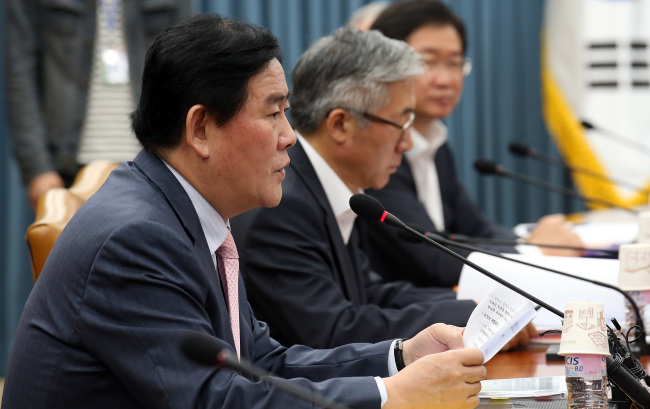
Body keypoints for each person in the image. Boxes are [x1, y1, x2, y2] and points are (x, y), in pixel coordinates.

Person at [1, 14, 488, 409]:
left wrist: (399, 356)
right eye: (273, 112)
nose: (290, 136)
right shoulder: (137, 238)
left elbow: (260, 362)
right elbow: (215, 402)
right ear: (201, 129)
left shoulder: (187, 213)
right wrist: (391, 396)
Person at [233, 27, 534, 350]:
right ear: (340, 125)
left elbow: (371, 293)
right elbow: (333, 330)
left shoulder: (329, 188)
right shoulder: (282, 207)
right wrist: (472, 315)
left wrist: (478, 306)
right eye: (401, 125)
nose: (407, 143)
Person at [364, 0, 584, 288]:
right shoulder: (377, 151)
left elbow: (476, 229)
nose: (445, 79)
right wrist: (534, 251)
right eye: (426, 61)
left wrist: (529, 241)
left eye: (455, 63)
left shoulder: (435, 142)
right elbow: (435, 259)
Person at [4, 0, 192, 210]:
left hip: (154, 165)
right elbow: (20, 75)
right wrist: (37, 168)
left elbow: (185, 70)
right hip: (64, 170)